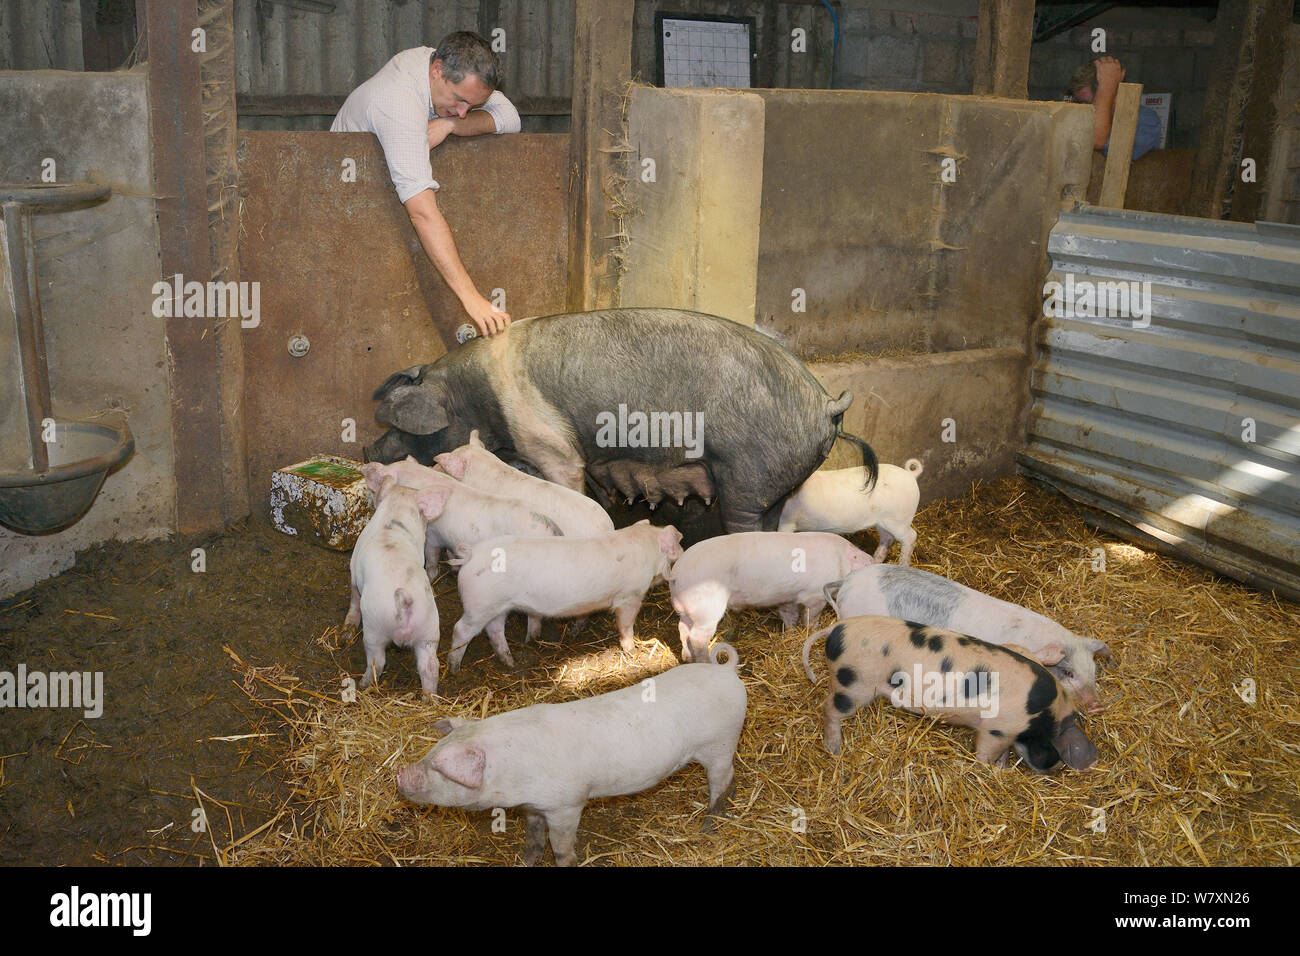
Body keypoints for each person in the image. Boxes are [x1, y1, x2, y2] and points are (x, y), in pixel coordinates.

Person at [332, 32, 520, 337]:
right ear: (437, 71)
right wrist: (472, 299)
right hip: (344, 211)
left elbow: (510, 117)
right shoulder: (398, 102)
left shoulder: (442, 68)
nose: (464, 110)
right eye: (459, 101)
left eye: (473, 105)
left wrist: (451, 124)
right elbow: (422, 213)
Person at [1067, 56, 1163, 162]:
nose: (1084, 110)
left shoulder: (1146, 120)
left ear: (1111, 93)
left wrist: (1106, 87)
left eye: (1089, 104)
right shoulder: (1077, 116)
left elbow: (1102, 144)